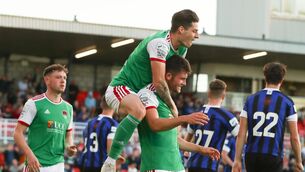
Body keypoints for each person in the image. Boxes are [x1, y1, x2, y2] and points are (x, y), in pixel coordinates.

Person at [102, 9, 200, 171]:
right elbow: (159, 81)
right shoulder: (160, 44)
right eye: (194, 31)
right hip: (122, 88)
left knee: (155, 118)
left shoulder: (182, 48)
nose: (197, 35)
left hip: (144, 93)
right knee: (139, 110)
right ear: (181, 30)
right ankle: (111, 160)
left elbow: (168, 78)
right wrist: (173, 106)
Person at [137, 55, 219, 171]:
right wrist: (185, 118)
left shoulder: (167, 101)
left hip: (177, 167)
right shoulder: (147, 94)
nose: (185, 83)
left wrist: (201, 149)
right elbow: (154, 124)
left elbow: (174, 140)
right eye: (182, 78)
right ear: (169, 76)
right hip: (157, 166)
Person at [233, 62, 304, 172]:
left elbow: (241, 133)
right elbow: (294, 137)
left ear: (265, 77)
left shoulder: (251, 99)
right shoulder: (287, 102)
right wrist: (299, 161)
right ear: (282, 80)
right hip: (273, 155)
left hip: (251, 155)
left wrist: (237, 160)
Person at [13, 64, 77, 172]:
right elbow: (17, 133)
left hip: (58, 165)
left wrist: (69, 147)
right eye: (58, 77)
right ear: (47, 80)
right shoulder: (34, 103)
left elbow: (68, 135)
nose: (63, 81)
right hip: (36, 165)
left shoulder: (69, 108)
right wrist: (29, 155)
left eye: (64, 78)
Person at [186, 79, 240, 172]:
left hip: (192, 165)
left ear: (208, 93)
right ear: (224, 96)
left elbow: (187, 140)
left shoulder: (196, 114)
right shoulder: (226, 116)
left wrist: (186, 152)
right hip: (210, 166)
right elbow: (241, 136)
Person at [79, 94, 124, 172]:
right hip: (102, 166)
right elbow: (110, 150)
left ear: (101, 105)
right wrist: (118, 158)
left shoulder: (90, 122)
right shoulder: (113, 124)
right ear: (115, 105)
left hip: (86, 165)